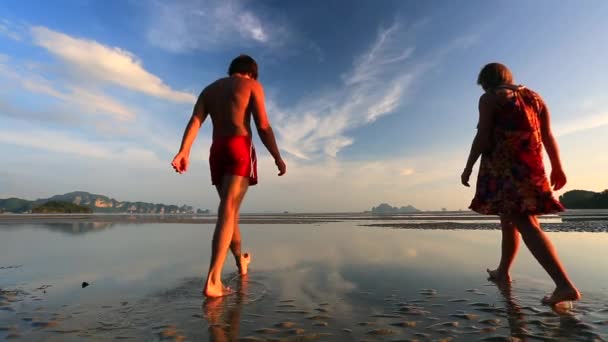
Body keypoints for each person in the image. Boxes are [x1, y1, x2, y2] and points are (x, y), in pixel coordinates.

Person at [461, 63, 580, 305]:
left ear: (486, 82)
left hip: (506, 168)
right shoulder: (534, 97)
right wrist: (557, 166)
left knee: (525, 222)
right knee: (509, 218)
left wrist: (468, 166)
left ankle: (564, 285)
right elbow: (547, 135)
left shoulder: (490, 98)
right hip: (531, 165)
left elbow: (483, 135)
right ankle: (503, 271)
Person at [172, 55, 286, 297]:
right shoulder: (252, 86)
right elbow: (263, 126)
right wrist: (277, 156)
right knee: (229, 208)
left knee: (229, 211)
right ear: (252, 73)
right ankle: (213, 279)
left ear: (231, 70)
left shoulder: (209, 90)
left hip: (218, 150)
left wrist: (184, 151)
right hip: (239, 146)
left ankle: (240, 262)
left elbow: (195, 120)